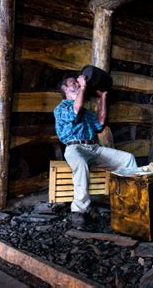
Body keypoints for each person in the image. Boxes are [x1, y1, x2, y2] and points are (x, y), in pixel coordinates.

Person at [54, 70, 137, 229]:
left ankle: (130, 202)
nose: (77, 84)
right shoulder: (61, 108)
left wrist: (103, 96)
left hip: (93, 147)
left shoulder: (86, 112)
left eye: (78, 83)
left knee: (128, 159)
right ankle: (79, 210)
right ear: (64, 89)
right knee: (80, 163)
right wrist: (84, 87)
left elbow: (100, 122)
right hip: (74, 147)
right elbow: (75, 110)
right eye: (74, 83)